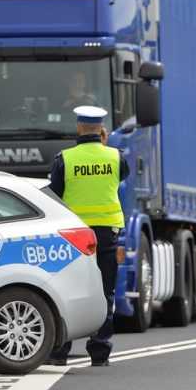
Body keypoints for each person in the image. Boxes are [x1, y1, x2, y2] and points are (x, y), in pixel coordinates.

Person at [46, 106, 128, 367]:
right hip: (107, 233)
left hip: (74, 234)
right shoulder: (116, 157)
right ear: (101, 129)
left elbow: (54, 193)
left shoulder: (65, 159)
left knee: (67, 289)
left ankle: (60, 352)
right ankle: (100, 351)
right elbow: (119, 178)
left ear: (79, 127)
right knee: (105, 291)